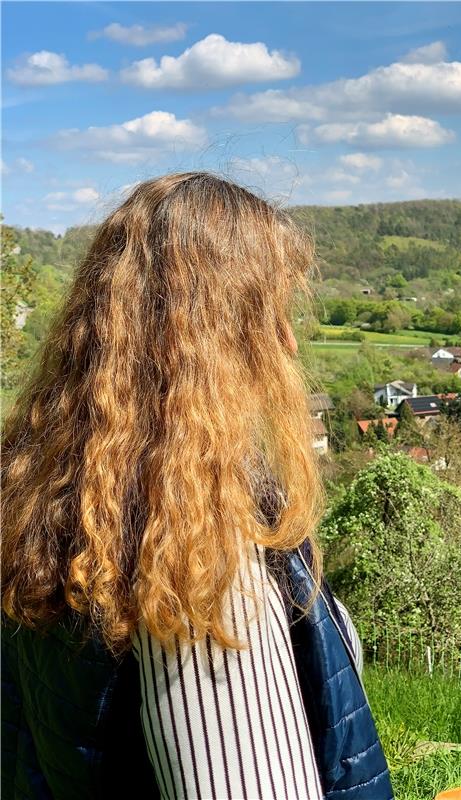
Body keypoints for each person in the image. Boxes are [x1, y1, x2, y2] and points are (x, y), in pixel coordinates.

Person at [2, 173, 392, 799]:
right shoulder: (197, 559)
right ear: (212, 347)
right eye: (270, 316)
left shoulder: (54, 512)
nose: (288, 343)